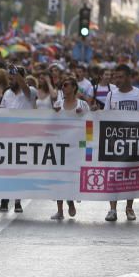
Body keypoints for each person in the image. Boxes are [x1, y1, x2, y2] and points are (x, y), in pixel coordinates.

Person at [103, 63, 139, 222]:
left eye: (121, 77)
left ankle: (129, 208)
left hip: (134, 141)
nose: (117, 80)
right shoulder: (111, 95)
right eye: (115, 77)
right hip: (115, 142)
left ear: (129, 77)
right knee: (113, 175)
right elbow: (105, 117)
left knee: (131, 176)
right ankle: (112, 209)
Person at [50, 78, 91, 221]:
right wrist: (53, 114)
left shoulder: (83, 105)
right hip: (60, 146)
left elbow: (90, 126)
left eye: (66, 85)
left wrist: (84, 115)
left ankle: (71, 200)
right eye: (62, 85)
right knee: (59, 177)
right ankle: (60, 210)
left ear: (74, 88)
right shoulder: (58, 104)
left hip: (78, 145)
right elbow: (51, 126)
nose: (63, 87)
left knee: (73, 176)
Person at [0, 65, 33, 213]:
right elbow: (2, 112)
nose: (10, 80)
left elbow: (25, 88)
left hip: (24, 137)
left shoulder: (30, 92)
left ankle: (18, 201)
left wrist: (18, 75)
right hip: (8, 136)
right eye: (10, 78)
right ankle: (4, 198)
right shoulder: (7, 94)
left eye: (13, 78)